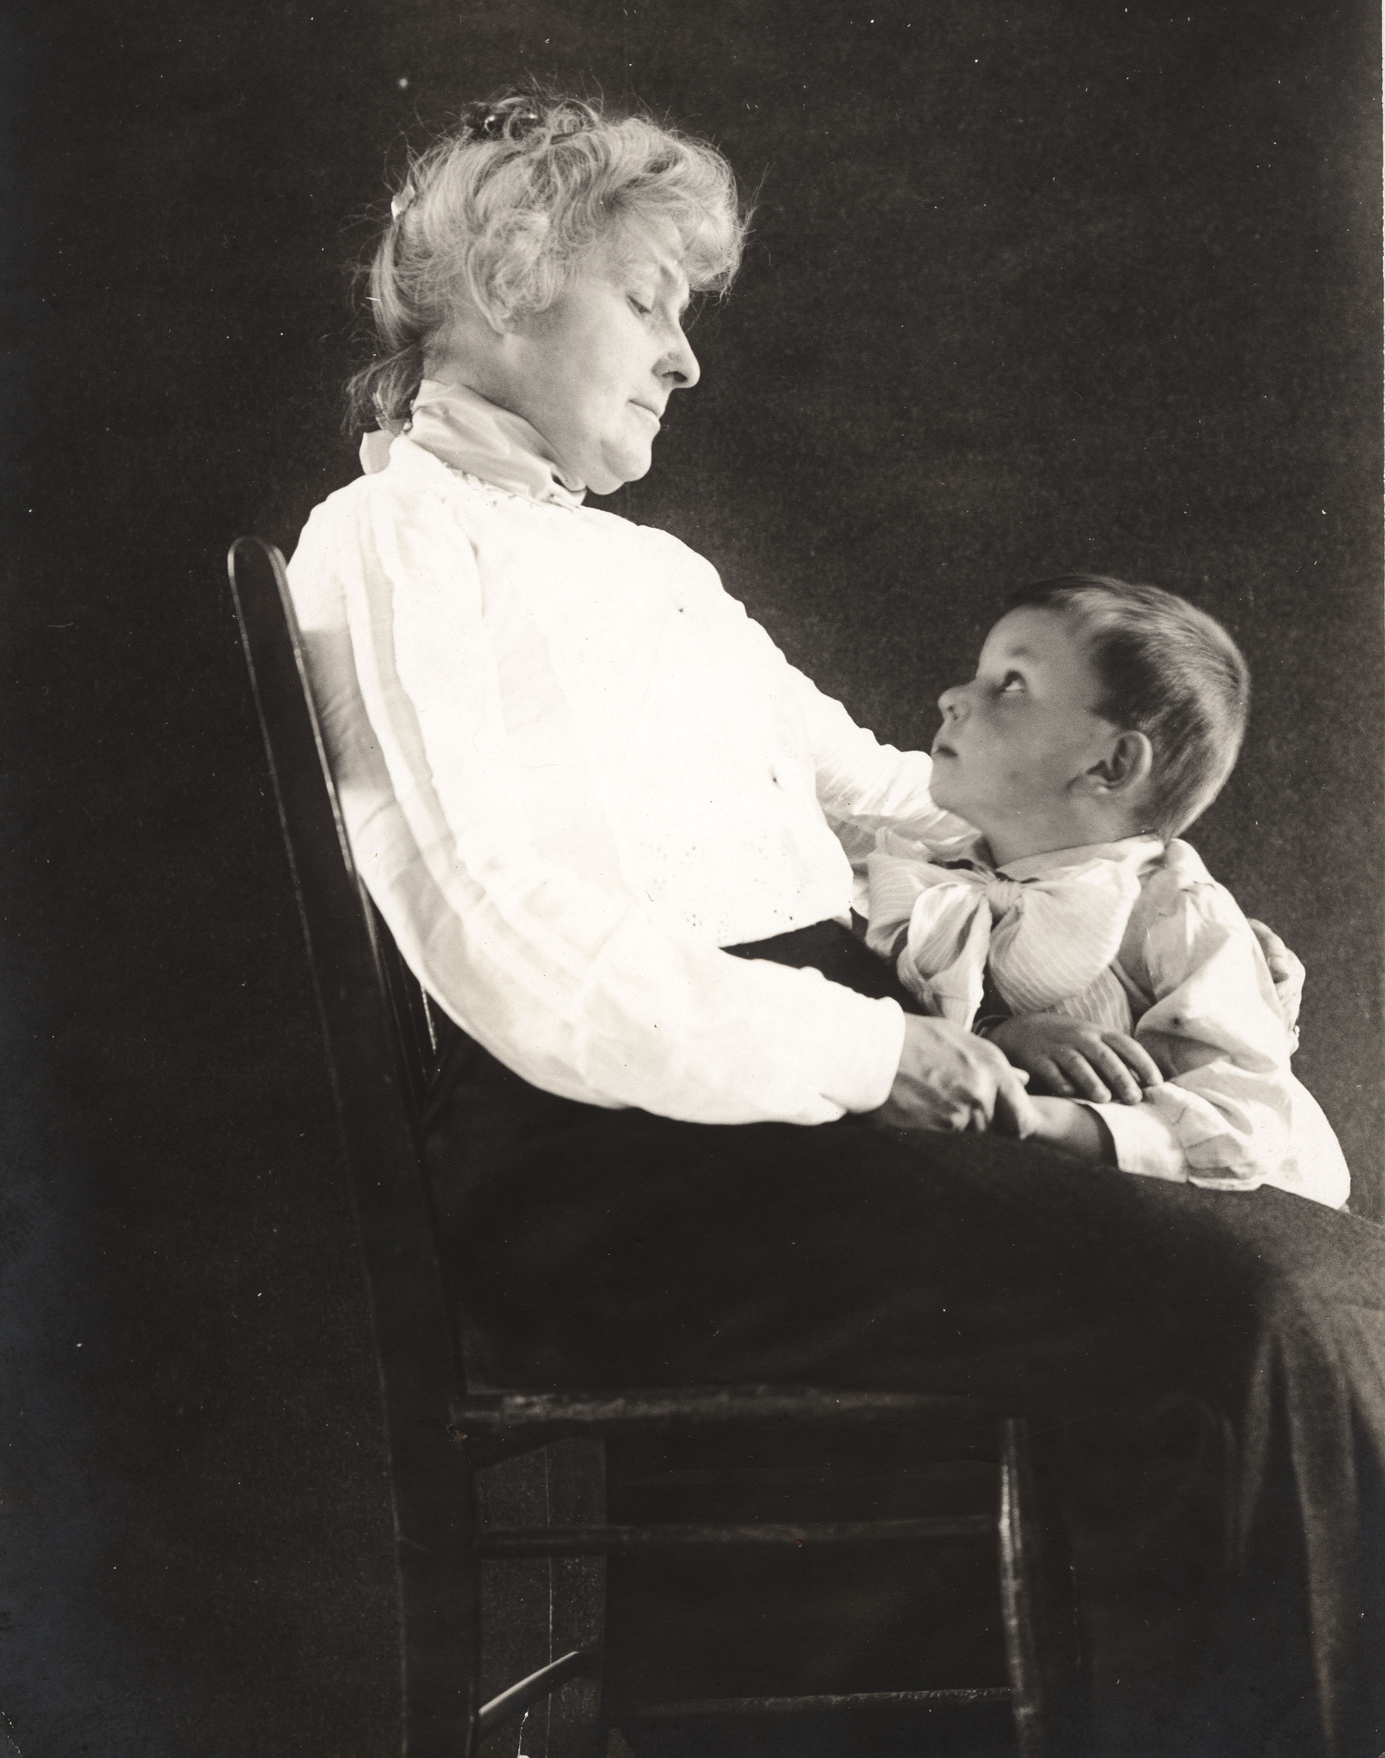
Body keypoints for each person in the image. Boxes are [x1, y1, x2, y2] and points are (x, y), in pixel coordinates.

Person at [286, 91, 1385, 1755]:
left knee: (1324, 1264)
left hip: (788, 1107)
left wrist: (1134, 847)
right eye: (647, 300)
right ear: (507, 284)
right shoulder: (391, 541)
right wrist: (871, 1043)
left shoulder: (656, 574)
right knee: (1232, 1317)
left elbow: (895, 790)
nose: (684, 356)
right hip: (611, 1149)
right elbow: (494, 928)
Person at [863, 574, 1350, 1207]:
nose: (952, 697)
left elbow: (1245, 1124)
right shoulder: (940, 881)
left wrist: (1033, 1118)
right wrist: (998, 1036)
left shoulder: (1173, 909)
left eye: (1011, 684)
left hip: (1245, 1211)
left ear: (1110, 765)